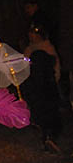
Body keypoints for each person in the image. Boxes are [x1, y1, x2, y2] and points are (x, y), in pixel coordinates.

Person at [23, 21, 62, 151]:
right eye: (30, 34)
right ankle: (46, 136)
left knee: (50, 112)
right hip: (35, 87)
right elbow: (24, 66)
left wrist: (55, 80)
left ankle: (50, 137)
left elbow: (55, 67)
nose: (31, 36)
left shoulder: (48, 48)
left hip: (47, 86)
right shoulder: (29, 50)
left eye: (34, 34)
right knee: (39, 112)